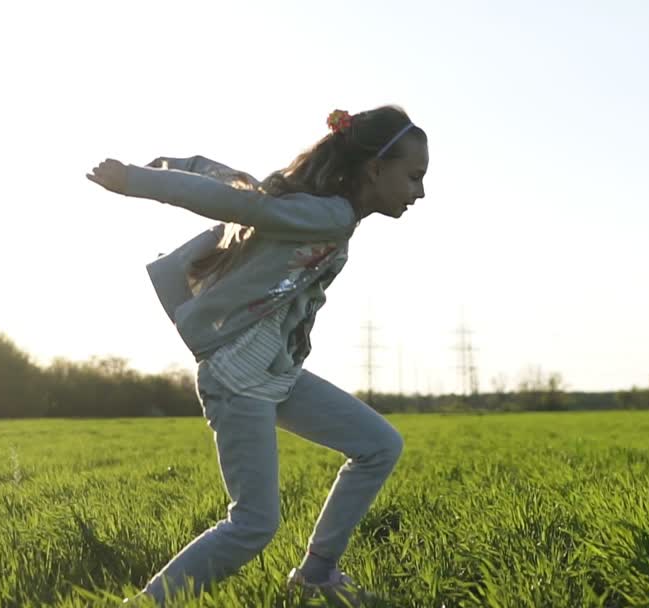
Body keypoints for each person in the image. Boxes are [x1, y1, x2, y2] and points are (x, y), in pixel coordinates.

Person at [85, 105, 429, 606]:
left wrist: (155, 168)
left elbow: (227, 181)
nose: (419, 192)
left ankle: (316, 576)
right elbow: (236, 202)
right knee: (252, 524)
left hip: (274, 372)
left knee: (379, 445)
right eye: (414, 176)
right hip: (238, 376)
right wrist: (136, 179)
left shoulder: (328, 211)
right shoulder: (327, 213)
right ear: (375, 168)